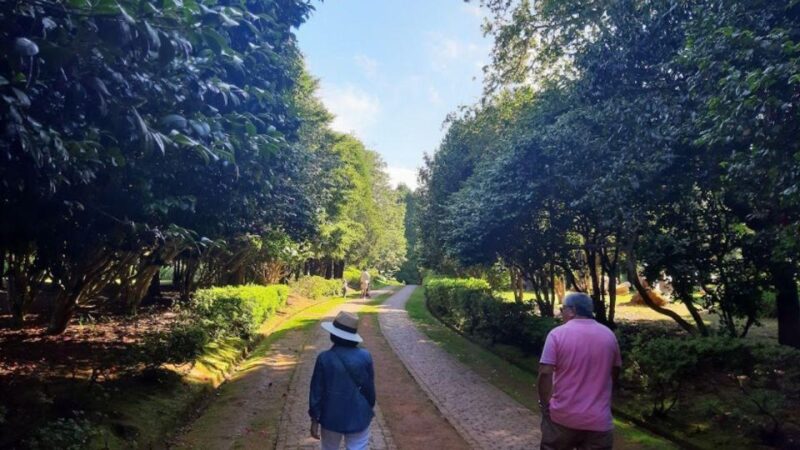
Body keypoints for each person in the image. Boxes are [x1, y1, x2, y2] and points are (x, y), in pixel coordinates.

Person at [537, 292, 621, 450]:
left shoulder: (557, 334)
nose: (561, 313)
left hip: (563, 417)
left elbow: (545, 373)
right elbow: (615, 370)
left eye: (562, 309)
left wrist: (545, 404)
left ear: (572, 310)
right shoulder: (609, 335)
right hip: (598, 420)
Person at [309, 311, 376, 450]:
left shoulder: (324, 358)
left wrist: (315, 419)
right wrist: (368, 409)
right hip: (359, 416)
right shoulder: (365, 356)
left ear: (333, 335)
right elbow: (369, 389)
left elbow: (316, 392)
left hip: (331, 417)